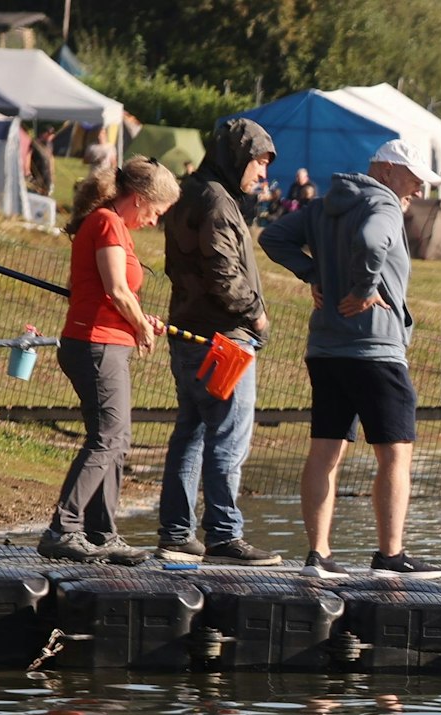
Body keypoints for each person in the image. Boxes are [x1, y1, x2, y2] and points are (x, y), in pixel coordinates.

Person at [260, 138, 441, 580]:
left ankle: (319, 556)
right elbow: (370, 239)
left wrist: (313, 273)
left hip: (326, 349)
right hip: (377, 352)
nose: (418, 190)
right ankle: (391, 557)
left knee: (325, 450)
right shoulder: (383, 205)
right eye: (415, 178)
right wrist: (364, 289)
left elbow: (273, 237)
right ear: (386, 169)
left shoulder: (325, 205)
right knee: (396, 456)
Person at [39, 157, 180, 564]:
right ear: (138, 199)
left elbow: (115, 293)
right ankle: (63, 529)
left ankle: (102, 533)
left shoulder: (114, 226)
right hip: (95, 344)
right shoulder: (107, 223)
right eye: (155, 212)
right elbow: (118, 289)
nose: (154, 221)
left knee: (117, 441)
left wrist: (137, 318)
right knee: (109, 437)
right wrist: (137, 323)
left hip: (105, 341)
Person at [155, 118, 281, 566]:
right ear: (237, 157)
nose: (262, 175)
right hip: (224, 340)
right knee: (228, 437)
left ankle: (176, 533)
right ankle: (225, 535)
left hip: (188, 332)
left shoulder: (193, 191)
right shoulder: (216, 201)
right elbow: (223, 273)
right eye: (259, 163)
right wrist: (257, 315)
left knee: (191, 431)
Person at [27, 125, 54, 197]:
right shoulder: (35, 143)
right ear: (43, 134)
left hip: (46, 174)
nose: (49, 136)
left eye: (51, 135)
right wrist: (27, 171)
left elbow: (51, 158)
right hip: (37, 173)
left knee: (46, 192)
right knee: (35, 192)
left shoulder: (49, 144)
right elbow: (28, 156)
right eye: (48, 134)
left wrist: (52, 174)